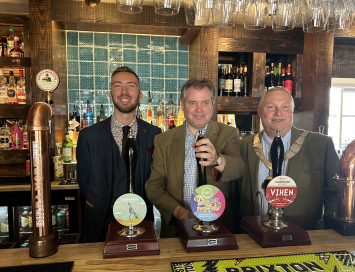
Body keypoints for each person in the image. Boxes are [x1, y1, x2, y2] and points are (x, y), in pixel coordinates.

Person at [145, 79, 245, 238]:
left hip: (219, 228)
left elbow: (238, 167)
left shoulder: (228, 133)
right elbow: (154, 185)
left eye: (205, 102)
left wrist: (217, 160)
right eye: (192, 102)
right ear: (182, 105)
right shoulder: (163, 140)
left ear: (212, 104)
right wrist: (179, 212)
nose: (199, 109)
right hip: (176, 229)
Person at [77, 66, 161, 243]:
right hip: (99, 223)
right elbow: (84, 181)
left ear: (140, 95)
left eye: (131, 86)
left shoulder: (155, 134)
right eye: (118, 85)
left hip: (142, 221)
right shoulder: (88, 135)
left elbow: (157, 178)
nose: (124, 91)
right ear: (110, 94)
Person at [237, 87, 339, 230]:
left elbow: (336, 193)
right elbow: (232, 197)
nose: (278, 113)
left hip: (305, 237)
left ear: (292, 110)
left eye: (285, 107)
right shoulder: (242, 146)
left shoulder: (321, 144)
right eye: (271, 107)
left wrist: (327, 231)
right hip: (252, 237)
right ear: (259, 111)